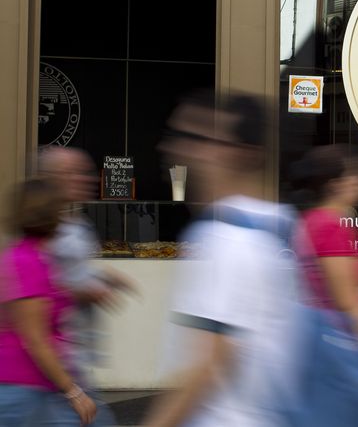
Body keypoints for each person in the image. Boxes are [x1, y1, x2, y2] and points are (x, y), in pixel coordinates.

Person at [145, 92, 302, 427]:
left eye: (195, 138)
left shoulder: (224, 239)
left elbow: (207, 365)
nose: (173, 148)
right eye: (177, 137)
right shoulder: (278, 228)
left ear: (241, 153)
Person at [289, 145, 358, 419]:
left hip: (321, 349)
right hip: (342, 351)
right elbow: (348, 303)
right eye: (357, 174)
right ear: (335, 184)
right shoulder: (332, 226)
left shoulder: (316, 220)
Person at [39, 146, 134, 426]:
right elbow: (34, 285)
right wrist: (86, 289)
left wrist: (102, 276)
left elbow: (70, 271)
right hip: (55, 360)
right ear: (51, 177)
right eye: (74, 173)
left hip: (73, 357)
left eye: (85, 172)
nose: (86, 179)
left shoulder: (76, 223)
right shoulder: (42, 227)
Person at [0, 178, 97, 426]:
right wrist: (73, 392)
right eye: (60, 209)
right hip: (23, 387)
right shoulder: (29, 261)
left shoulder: (32, 256)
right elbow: (35, 338)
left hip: (35, 386)